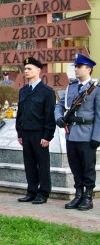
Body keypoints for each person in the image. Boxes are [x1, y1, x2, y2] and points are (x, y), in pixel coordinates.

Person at [55, 53, 100, 211]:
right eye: (75, 66)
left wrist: (97, 136)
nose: (76, 69)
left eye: (79, 66)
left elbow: (99, 115)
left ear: (88, 69)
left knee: (87, 167)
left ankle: (88, 197)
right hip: (71, 133)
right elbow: (60, 105)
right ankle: (79, 194)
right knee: (75, 166)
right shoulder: (71, 87)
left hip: (88, 135)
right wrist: (59, 117)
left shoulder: (95, 89)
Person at [16, 57, 56, 204]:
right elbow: (20, 114)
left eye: (29, 69)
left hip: (40, 133)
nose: (26, 71)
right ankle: (31, 191)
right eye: (25, 69)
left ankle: (43, 193)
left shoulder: (46, 92)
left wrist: (47, 135)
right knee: (29, 164)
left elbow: (49, 116)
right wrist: (19, 133)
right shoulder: (23, 91)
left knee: (42, 163)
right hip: (26, 132)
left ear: (38, 70)